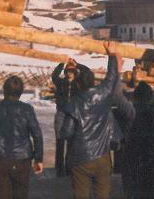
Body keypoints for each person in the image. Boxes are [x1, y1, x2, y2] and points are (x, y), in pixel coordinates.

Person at [62, 41, 129, 199]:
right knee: (103, 195)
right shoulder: (103, 95)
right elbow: (111, 78)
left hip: (80, 158)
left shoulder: (74, 103)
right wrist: (111, 54)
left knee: (81, 195)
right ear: (94, 81)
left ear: (78, 85)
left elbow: (66, 131)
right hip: (102, 156)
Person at [0, 76, 43, 199]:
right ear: (21, 92)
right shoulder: (27, 109)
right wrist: (38, 158)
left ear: (4, 90)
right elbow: (37, 134)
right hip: (22, 159)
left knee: (2, 194)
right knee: (21, 194)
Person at [51, 58, 91, 177]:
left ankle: (69, 168)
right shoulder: (60, 82)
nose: (70, 73)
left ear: (75, 72)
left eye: (72, 71)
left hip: (73, 114)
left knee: (71, 142)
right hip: (61, 112)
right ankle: (59, 168)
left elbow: (88, 72)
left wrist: (78, 64)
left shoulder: (79, 83)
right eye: (68, 71)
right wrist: (62, 63)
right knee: (59, 140)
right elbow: (54, 75)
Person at [121, 82, 154, 199]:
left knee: (131, 184)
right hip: (147, 152)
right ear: (149, 96)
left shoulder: (128, 110)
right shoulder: (152, 112)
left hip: (131, 150)